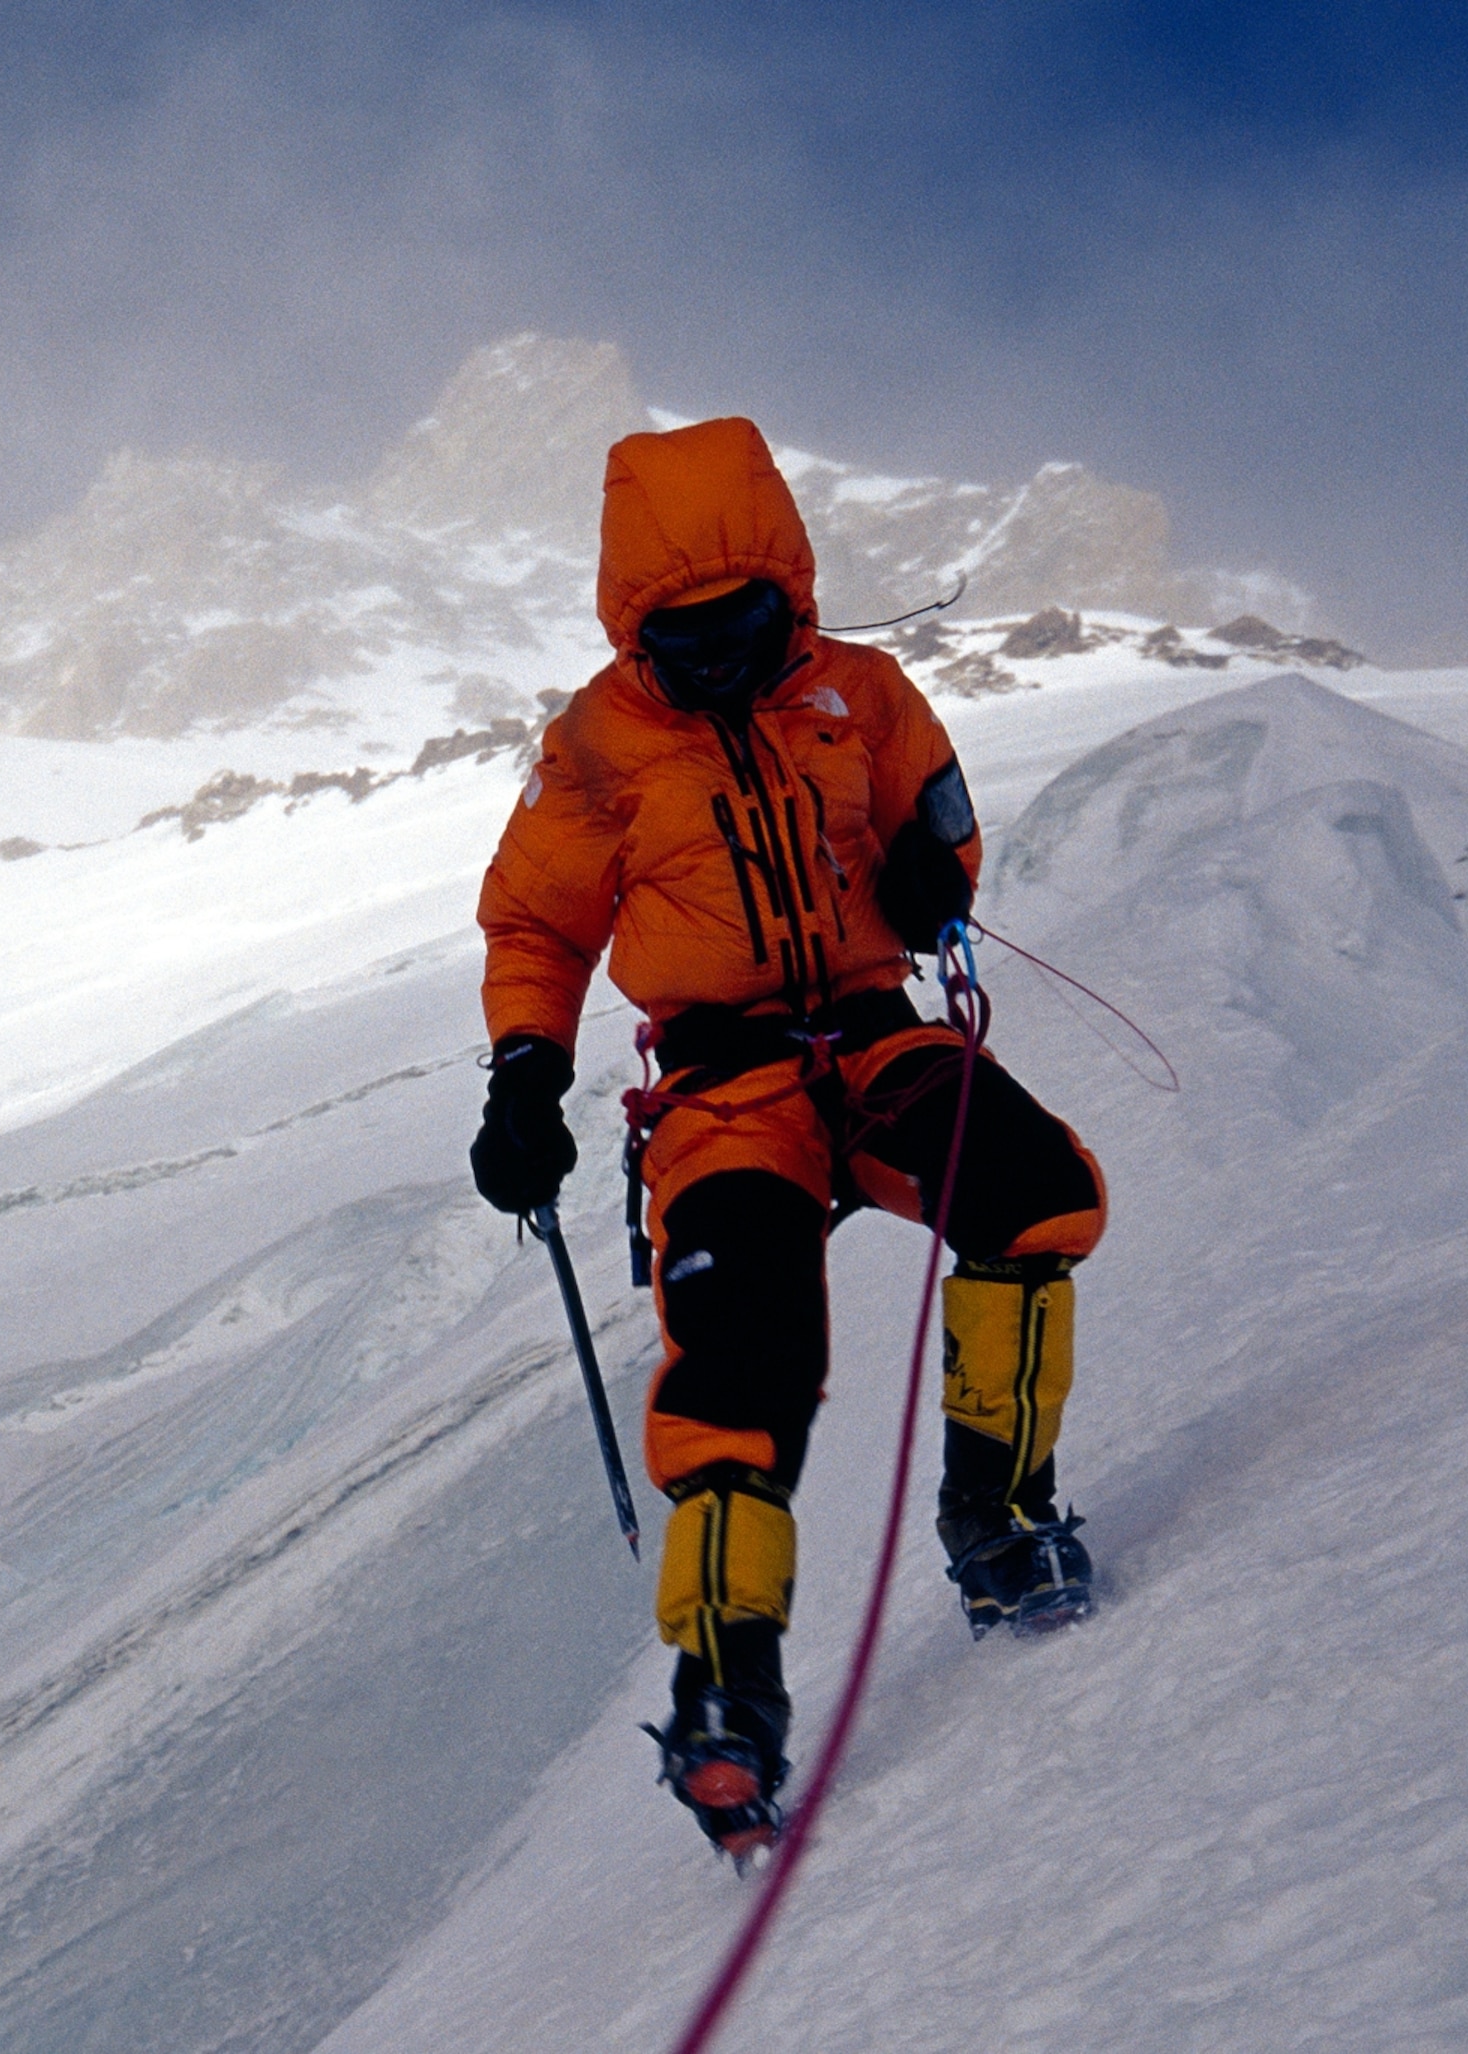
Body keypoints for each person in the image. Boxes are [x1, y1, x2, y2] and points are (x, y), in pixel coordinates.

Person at [466, 416, 1108, 1862]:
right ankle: (724, 1705)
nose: (722, 655)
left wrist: (928, 873)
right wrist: (523, 1072)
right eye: (686, 636)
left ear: (789, 593)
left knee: (1037, 1197)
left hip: (878, 1037)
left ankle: (998, 1523)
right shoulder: (590, 749)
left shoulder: (861, 693)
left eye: (747, 622)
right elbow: (540, 925)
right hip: (721, 1090)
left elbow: (941, 825)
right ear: (639, 624)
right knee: (743, 1377)